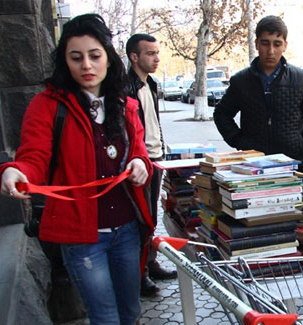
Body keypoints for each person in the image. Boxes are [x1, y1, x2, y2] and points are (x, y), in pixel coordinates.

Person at [0, 14, 153, 325]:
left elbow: (139, 153)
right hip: (82, 237)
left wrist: (140, 163)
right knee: (105, 317)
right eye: (76, 57)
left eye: (94, 56)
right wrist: (14, 172)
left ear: (108, 57)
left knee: (131, 312)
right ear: (64, 62)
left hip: (127, 230)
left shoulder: (125, 104)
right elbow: (34, 157)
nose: (86, 66)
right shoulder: (47, 105)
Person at [213, 15, 303, 173]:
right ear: (257, 44)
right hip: (254, 165)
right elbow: (221, 113)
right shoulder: (241, 80)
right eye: (265, 43)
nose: (271, 51)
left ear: (285, 45)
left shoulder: (301, 78)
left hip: (295, 164)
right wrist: (239, 141)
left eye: (277, 44)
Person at [126, 33, 177, 297]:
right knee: (141, 220)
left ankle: (151, 263)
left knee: (152, 218)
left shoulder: (151, 84)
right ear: (134, 57)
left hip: (156, 160)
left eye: (157, 52)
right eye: (150, 53)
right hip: (140, 164)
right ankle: (140, 275)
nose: (156, 58)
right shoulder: (126, 88)